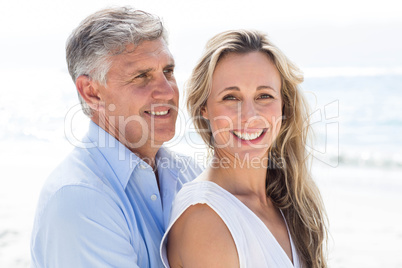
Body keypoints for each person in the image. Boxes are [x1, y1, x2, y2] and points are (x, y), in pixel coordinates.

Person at [30, 6, 202, 268]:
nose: (168, 92)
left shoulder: (192, 174)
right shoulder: (79, 200)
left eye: (168, 71)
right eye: (142, 76)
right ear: (92, 93)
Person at [160, 30, 328, 268]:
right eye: (231, 97)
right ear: (203, 108)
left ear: (284, 107)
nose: (249, 116)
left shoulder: (289, 204)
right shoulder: (204, 219)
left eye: (264, 96)